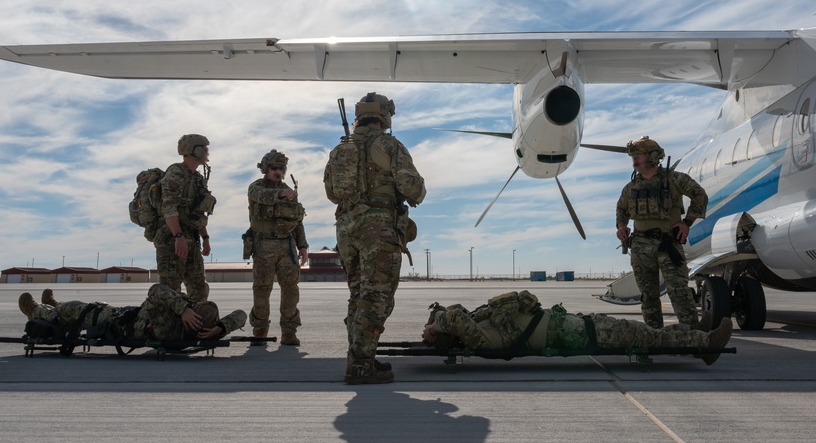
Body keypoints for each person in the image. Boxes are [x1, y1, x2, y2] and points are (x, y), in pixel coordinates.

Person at [324, 92, 426, 384]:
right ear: (384, 117)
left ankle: (358, 357)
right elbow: (412, 187)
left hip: (346, 229)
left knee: (358, 295)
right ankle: (361, 364)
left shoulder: (340, 150)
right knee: (377, 297)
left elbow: (332, 193)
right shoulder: (388, 145)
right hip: (378, 228)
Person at [422, 290, 732, 366]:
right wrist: (437, 325)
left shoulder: (477, 322)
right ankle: (705, 345)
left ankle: (698, 335)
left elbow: (457, 312)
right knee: (642, 336)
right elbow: (454, 317)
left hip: (575, 323)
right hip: (577, 334)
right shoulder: (479, 341)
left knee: (640, 331)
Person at [615, 136, 708, 330]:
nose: (634, 160)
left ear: (653, 156)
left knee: (679, 292)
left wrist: (687, 223)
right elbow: (621, 209)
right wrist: (621, 226)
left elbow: (700, 195)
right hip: (640, 246)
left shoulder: (674, 179)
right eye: (632, 157)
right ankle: (654, 336)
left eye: (637, 156)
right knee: (648, 297)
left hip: (668, 244)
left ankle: (692, 336)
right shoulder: (631, 187)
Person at [18, 284, 247, 342]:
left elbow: (155, 290)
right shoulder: (207, 329)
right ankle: (54, 305)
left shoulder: (171, 327)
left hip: (117, 322)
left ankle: (37, 310)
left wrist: (182, 309)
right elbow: (241, 314)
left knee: (77, 312)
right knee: (81, 307)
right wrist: (222, 328)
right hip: (128, 313)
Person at [247, 149, 308, 344]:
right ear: (266, 168)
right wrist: (282, 194)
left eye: (281, 168)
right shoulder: (256, 187)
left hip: (287, 247)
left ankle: (289, 331)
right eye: (274, 168)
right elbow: (261, 195)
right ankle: (260, 330)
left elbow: (298, 221)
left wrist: (303, 246)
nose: (278, 171)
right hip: (264, 245)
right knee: (262, 288)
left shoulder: (289, 192)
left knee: (291, 289)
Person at [155, 134, 217, 302]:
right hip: (171, 239)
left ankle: (195, 326)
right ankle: (171, 327)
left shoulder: (198, 179)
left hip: (191, 238)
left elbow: (198, 212)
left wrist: (205, 237)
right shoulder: (175, 172)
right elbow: (168, 207)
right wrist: (178, 236)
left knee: (199, 288)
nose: (207, 152)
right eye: (204, 149)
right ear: (194, 150)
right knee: (171, 290)